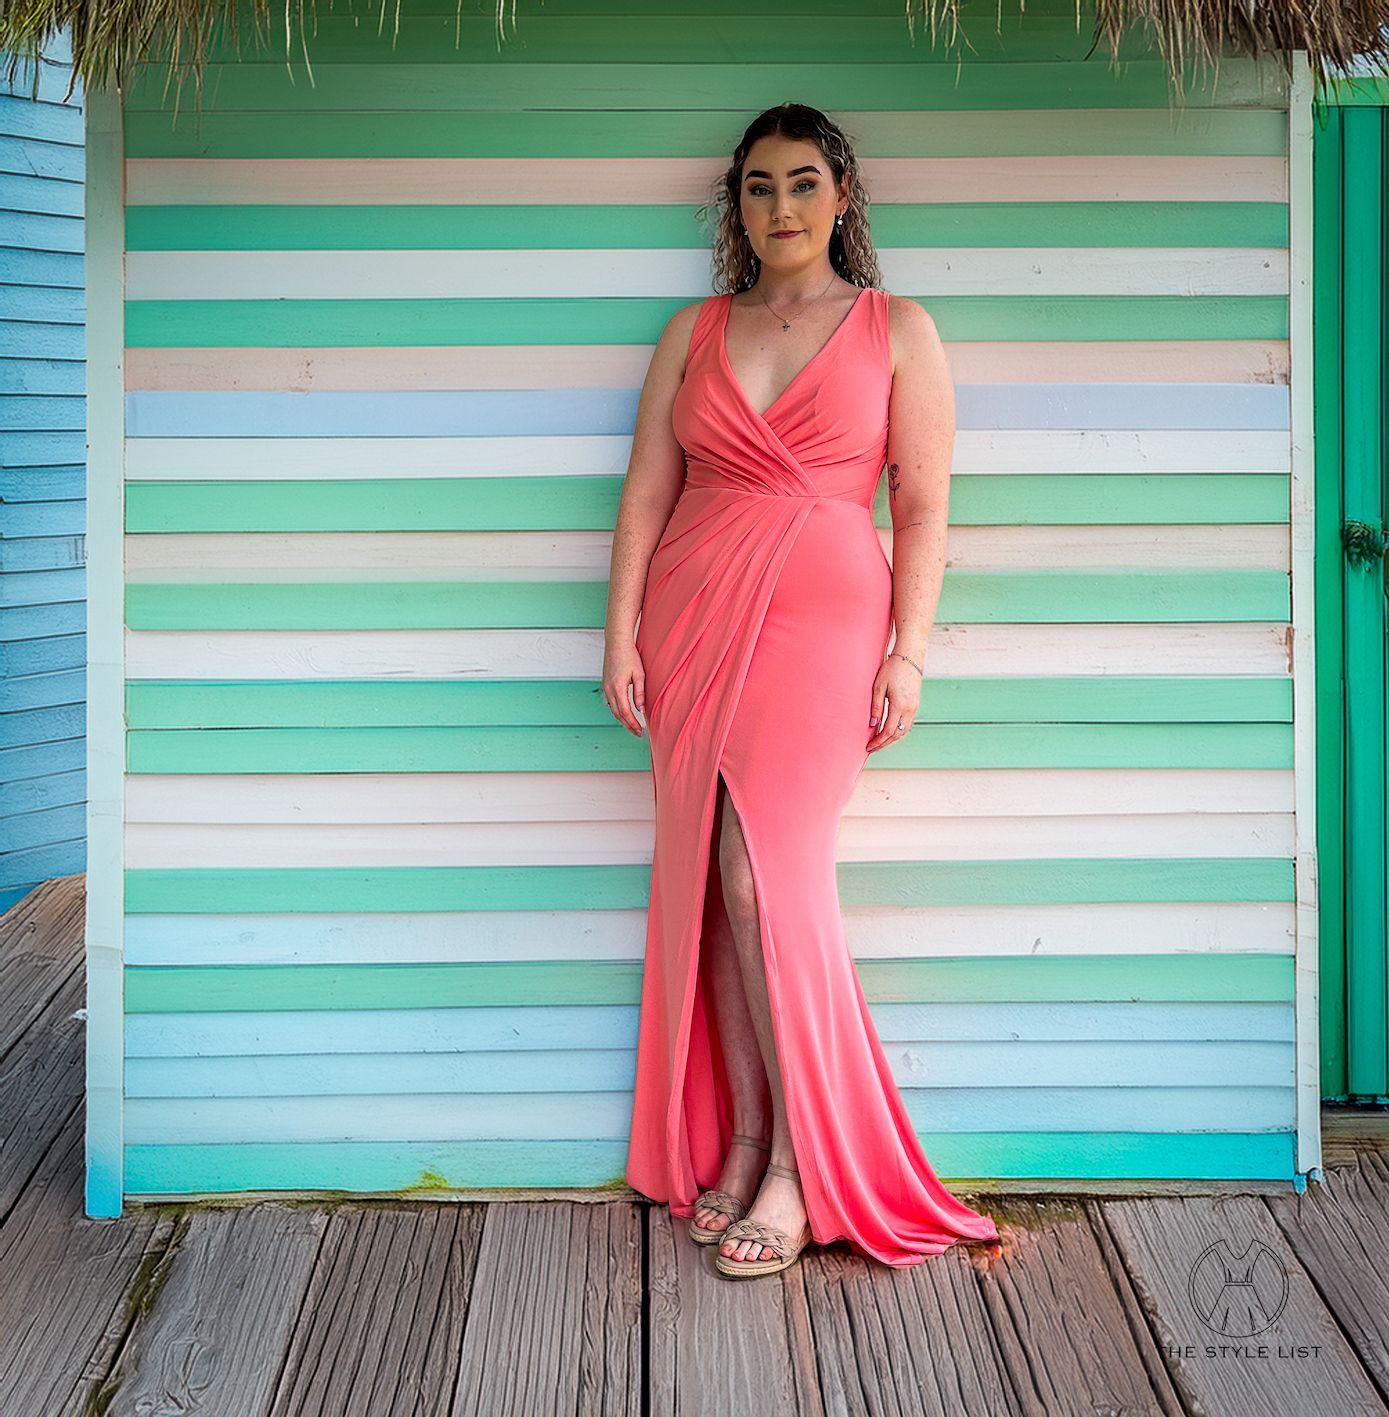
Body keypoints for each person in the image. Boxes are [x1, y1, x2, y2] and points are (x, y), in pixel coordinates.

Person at [602, 102, 1000, 1278]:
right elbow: (643, 493)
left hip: (826, 619)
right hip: (692, 611)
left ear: (843, 197)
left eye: (804, 183)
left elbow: (922, 508)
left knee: (764, 873)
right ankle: (742, 1142)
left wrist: (908, 649)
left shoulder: (898, 329)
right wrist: (621, 634)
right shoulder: (694, 330)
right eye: (761, 187)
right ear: (738, 205)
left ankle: (799, 1167)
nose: (782, 207)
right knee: (712, 883)